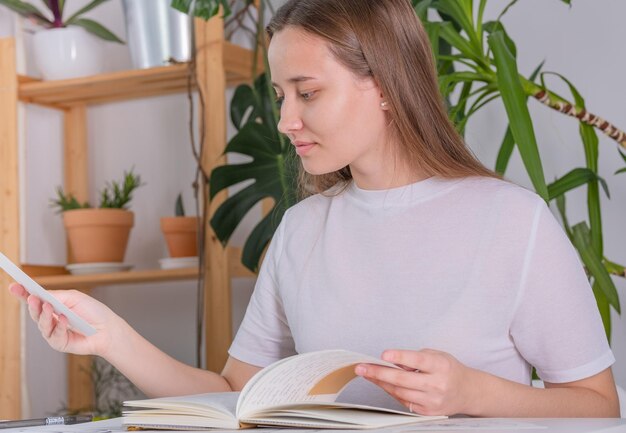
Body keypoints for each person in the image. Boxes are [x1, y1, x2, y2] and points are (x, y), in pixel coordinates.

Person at [9, 0, 619, 417]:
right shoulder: (302, 230)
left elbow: (600, 404)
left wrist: (473, 392)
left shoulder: (512, 220)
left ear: (383, 86)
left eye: (307, 93)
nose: (285, 120)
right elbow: (233, 394)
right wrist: (110, 337)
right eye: (280, 95)